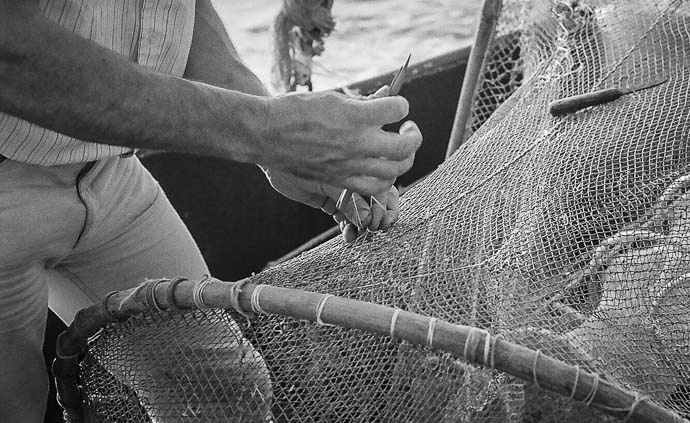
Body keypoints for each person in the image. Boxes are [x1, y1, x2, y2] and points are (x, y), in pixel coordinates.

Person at [0, 0, 422, 421]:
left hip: (110, 170)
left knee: (223, 389)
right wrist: (270, 130)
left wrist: (284, 150)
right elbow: (11, 50)